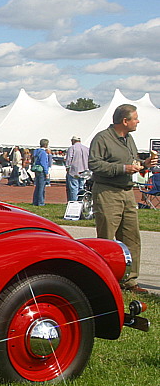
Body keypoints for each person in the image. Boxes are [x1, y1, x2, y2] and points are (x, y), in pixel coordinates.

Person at [88, 104, 146, 293]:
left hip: (127, 191)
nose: (138, 122)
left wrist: (143, 164)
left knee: (132, 237)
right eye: (135, 118)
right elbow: (94, 164)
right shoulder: (102, 138)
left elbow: (132, 161)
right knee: (107, 239)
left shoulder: (129, 139)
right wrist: (123, 168)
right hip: (108, 191)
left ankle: (130, 281)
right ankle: (105, 281)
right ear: (125, 121)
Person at [65, 136, 89, 201]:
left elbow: (69, 159)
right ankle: (81, 202)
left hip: (74, 171)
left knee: (74, 188)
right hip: (84, 171)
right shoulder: (86, 148)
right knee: (82, 188)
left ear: (73, 141)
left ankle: (74, 202)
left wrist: (67, 167)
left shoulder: (72, 148)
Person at [31, 138, 51, 206]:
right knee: (41, 187)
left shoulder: (36, 151)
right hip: (41, 170)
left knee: (37, 186)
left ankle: (35, 201)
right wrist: (46, 173)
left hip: (37, 170)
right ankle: (41, 202)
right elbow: (44, 163)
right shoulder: (43, 153)